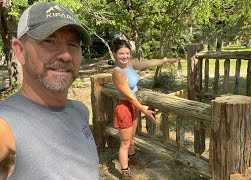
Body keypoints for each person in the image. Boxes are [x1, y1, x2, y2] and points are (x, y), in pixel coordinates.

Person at [0, 2, 99, 179]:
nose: (66, 55)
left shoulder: (80, 111)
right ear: (20, 50)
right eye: (49, 41)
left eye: (73, 44)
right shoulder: (5, 125)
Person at [111, 39, 177, 179]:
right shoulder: (117, 73)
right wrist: (145, 111)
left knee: (131, 137)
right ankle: (125, 172)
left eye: (127, 53)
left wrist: (165, 60)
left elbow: (149, 63)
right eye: (121, 54)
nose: (125, 56)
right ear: (114, 54)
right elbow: (130, 97)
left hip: (133, 107)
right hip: (124, 107)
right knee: (125, 142)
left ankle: (133, 158)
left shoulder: (129, 65)